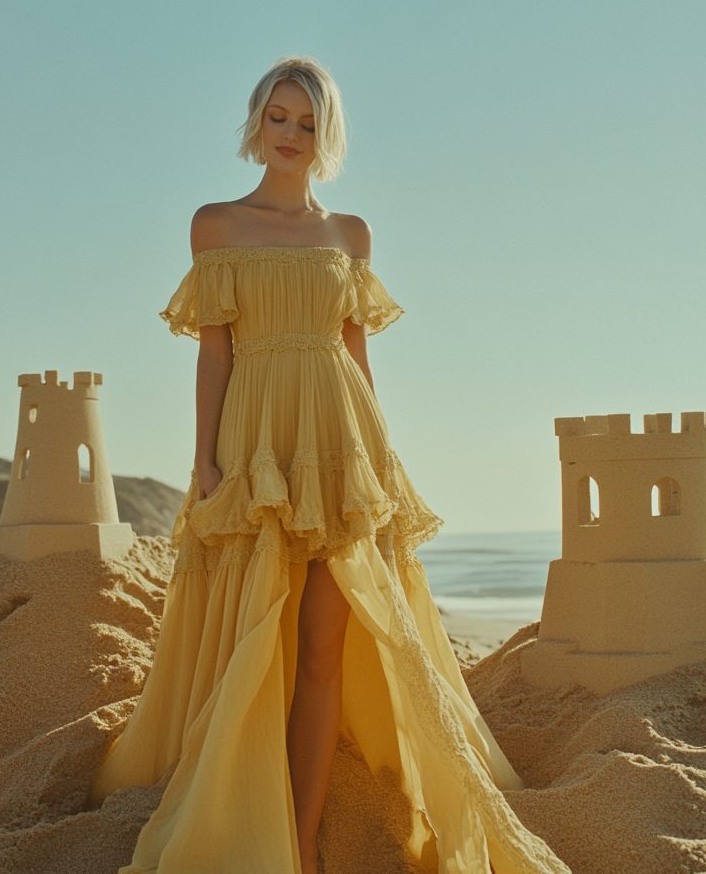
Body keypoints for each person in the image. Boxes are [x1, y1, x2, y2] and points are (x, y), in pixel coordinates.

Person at [89, 57, 566, 874]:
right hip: (257, 448)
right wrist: (204, 459)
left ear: (327, 135)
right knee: (252, 639)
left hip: (341, 451)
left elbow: (358, 358)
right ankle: (236, 814)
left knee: (321, 650)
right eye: (279, 117)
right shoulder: (216, 225)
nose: (291, 135)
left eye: (308, 123)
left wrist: (378, 460)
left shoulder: (351, 236)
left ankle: (302, 842)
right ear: (256, 122)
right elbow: (213, 352)